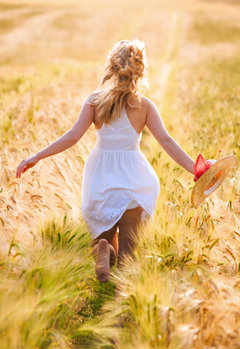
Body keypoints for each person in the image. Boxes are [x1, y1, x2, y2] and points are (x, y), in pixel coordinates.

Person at [16, 39, 197, 283]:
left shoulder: (94, 101)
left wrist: (37, 156)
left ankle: (104, 249)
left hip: (100, 176)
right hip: (134, 178)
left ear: (111, 67)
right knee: (127, 258)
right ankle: (117, 270)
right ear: (140, 70)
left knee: (101, 237)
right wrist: (195, 169)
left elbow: (72, 136)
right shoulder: (145, 106)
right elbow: (166, 141)